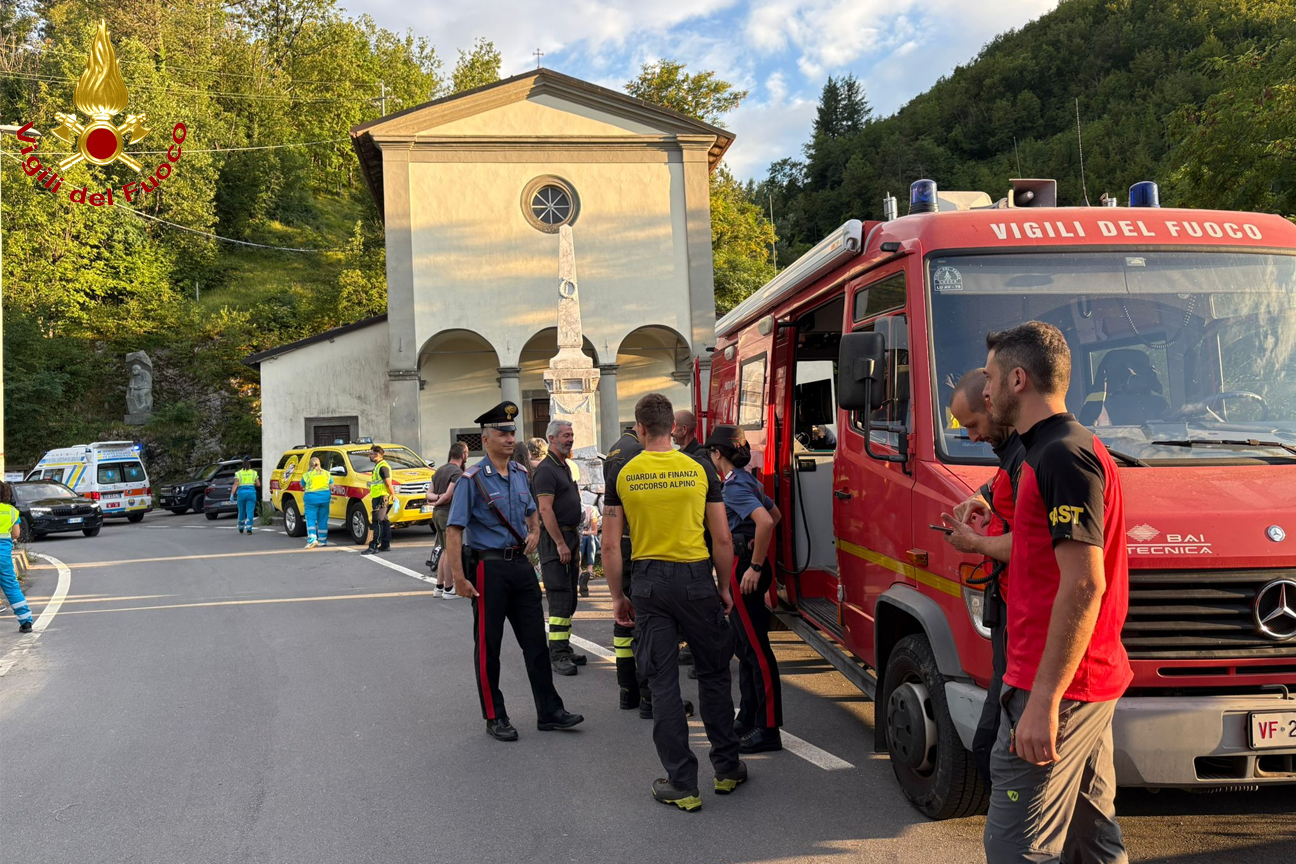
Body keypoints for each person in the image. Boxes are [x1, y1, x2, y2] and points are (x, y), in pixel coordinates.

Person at [979, 322, 1131, 864]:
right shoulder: (1055, 448)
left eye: (991, 378)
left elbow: (1086, 582)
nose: (985, 391)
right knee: (1092, 841)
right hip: (1079, 679)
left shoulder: (1062, 455)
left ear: (1018, 380)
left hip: (1059, 685)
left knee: (1015, 848)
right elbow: (1044, 553)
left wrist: (1043, 700)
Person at [602, 393, 745, 811]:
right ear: (673, 428)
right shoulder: (699, 468)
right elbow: (722, 538)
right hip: (696, 578)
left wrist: (617, 596)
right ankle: (727, 769)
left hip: (649, 584)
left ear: (640, 428)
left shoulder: (623, 472)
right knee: (714, 674)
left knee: (662, 682)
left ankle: (682, 784)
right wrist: (723, 587)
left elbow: (610, 546)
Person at [445, 401, 584, 742]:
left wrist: (534, 531)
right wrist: (459, 578)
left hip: (521, 567)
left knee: (536, 643)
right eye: (502, 434)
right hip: (488, 569)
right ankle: (495, 716)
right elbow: (454, 531)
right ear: (485, 439)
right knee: (488, 647)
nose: (510, 439)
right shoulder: (471, 480)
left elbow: (532, 511)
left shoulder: (521, 474)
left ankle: (549, 711)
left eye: (512, 433)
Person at [939, 368, 1024, 785]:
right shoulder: (1013, 453)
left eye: (973, 424)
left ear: (992, 403)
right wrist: (979, 498)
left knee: (998, 742)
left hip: (1024, 617)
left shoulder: (1033, 455)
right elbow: (999, 485)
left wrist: (974, 543)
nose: (971, 437)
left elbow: (1036, 544)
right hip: (1008, 607)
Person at [705, 425, 785, 754]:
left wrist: (754, 564)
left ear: (717, 453)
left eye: (711, 453)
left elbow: (766, 521)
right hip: (746, 564)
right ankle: (750, 716)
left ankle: (768, 729)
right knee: (745, 647)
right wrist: (755, 547)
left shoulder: (735, 486)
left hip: (744, 569)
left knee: (757, 650)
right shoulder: (744, 479)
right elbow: (774, 514)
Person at [533, 419, 587, 677]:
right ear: (552, 439)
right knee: (560, 598)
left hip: (569, 538)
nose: (570, 439)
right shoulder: (546, 470)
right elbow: (545, 510)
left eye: (572, 434)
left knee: (570, 597)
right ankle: (558, 654)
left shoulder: (563, 466)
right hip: (557, 541)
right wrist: (560, 543)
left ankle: (564, 645)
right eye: (565, 435)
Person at [429, 442, 468, 597]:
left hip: (437, 514)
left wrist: (435, 501)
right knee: (450, 551)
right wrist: (440, 500)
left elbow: (429, 494)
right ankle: (449, 588)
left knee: (444, 550)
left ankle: (439, 587)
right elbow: (448, 495)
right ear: (463, 455)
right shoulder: (457, 472)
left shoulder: (439, 470)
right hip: (448, 513)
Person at [0, 482, 34, 633]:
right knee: (12, 587)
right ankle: (26, 622)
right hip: (3, 557)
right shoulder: (12, 511)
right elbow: (16, 534)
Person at [363, 444, 395, 556]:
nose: (369, 456)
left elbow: (388, 483)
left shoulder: (382, 467)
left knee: (377, 521)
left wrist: (393, 494)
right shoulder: (378, 466)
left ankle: (374, 546)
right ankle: (385, 544)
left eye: (371, 454)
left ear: (377, 455)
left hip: (381, 497)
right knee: (384, 520)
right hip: (379, 496)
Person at [301, 456, 334, 548]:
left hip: (311, 499)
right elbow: (331, 486)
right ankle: (322, 540)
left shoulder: (307, 475)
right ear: (319, 464)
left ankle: (312, 540)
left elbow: (302, 485)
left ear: (310, 465)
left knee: (311, 520)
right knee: (322, 519)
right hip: (324, 499)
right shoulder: (327, 474)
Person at [230, 457, 260, 535]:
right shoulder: (254, 473)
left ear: (242, 465)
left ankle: (241, 527)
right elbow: (258, 484)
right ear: (250, 465)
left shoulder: (238, 473)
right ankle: (249, 529)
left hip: (241, 494)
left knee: (241, 511)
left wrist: (232, 494)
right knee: (250, 511)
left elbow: (236, 484)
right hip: (251, 494)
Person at [578, 501, 600, 597]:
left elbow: (594, 532)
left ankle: (589, 569)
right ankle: (579, 571)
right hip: (581, 539)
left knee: (590, 537)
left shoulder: (591, 509)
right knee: (582, 539)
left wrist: (583, 532)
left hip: (593, 540)